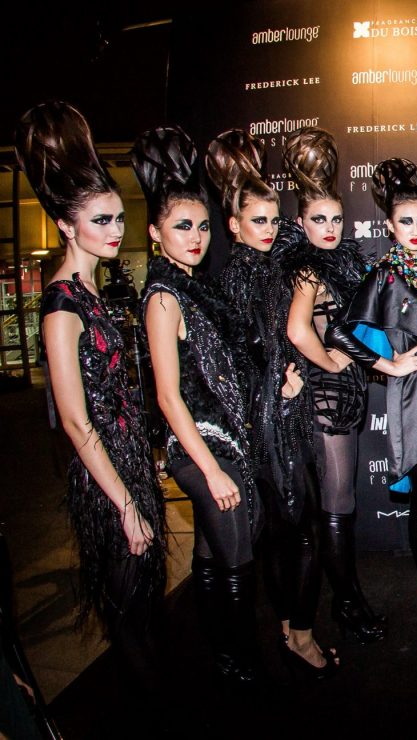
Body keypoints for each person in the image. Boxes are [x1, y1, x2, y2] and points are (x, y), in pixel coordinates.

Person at [16, 101, 166, 707]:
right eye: (100, 220)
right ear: (65, 226)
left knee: (146, 605)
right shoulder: (61, 307)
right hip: (106, 484)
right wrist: (125, 502)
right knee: (130, 619)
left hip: (129, 466)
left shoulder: (92, 292)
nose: (115, 230)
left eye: (118, 218)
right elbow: (76, 422)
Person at [133, 126, 262, 683]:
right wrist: (210, 470)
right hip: (200, 448)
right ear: (155, 232)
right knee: (238, 563)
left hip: (222, 441)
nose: (196, 237)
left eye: (203, 226)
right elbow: (167, 396)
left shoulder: (197, 290)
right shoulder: (164, 298)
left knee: (212, 555)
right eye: (182, 227)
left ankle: (222, 654)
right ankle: (240, 659)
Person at [207, 129, 337, 676]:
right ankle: (301, 635)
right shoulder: (241, 276)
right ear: (233, 224)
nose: (268, 229)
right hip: (270, 422)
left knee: (284, 534)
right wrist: (280, 384)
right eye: (256, 220)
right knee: (304, 531)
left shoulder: (265, 269)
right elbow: (242, 352)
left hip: (278, 415)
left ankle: (287, 624)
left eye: (273, 219)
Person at [328, 158, 417, 610]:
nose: (415, 229)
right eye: (406, 221)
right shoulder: (385, 274)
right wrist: (390, 365)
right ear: (389, 225)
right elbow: (338, 332)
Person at [281, 127, 384, 644]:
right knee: (338, 504)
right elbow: (297, 330)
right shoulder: (307, 268)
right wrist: (331, 362)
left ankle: (347, 599)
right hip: (325, 397)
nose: (329, 228)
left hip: (338, 395)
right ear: (300, 223)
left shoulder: (336, 261)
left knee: (339, 504)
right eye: (318, 219)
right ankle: (347, 604)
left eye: (336, 219)